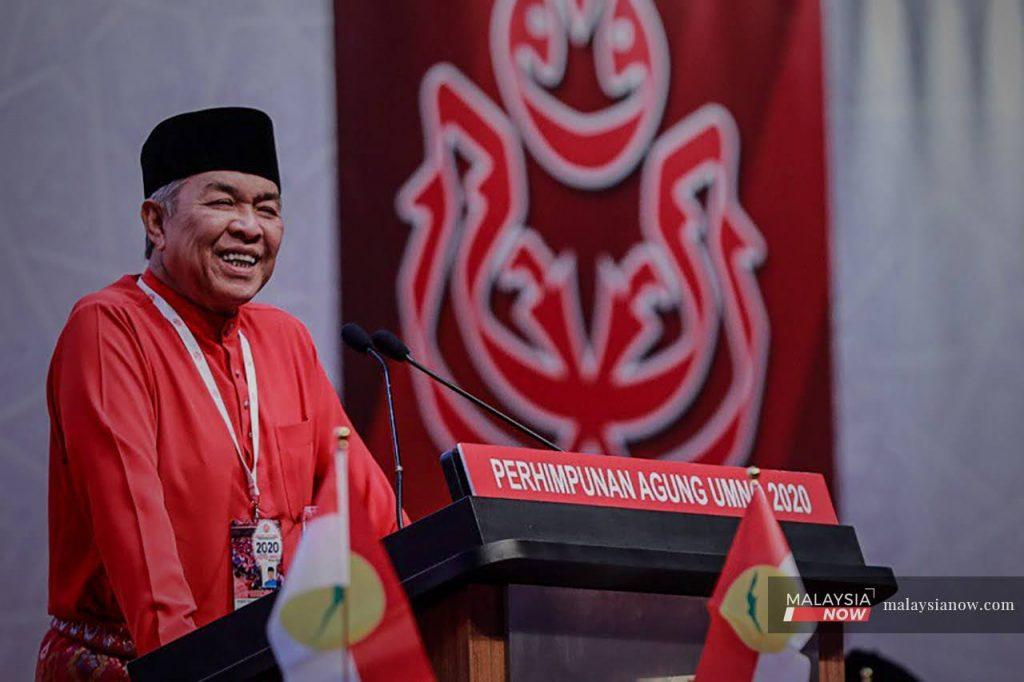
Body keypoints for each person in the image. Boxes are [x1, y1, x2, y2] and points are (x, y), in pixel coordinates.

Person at [36, 108, 399, 681]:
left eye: (267, 208)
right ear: (156, 222)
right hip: (145, 667)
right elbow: (142, 548)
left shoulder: (285, 339)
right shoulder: (108, 329)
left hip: (269, 663)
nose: (250, 227)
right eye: (224, 202)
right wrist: (197, 671)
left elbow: (370, 509)